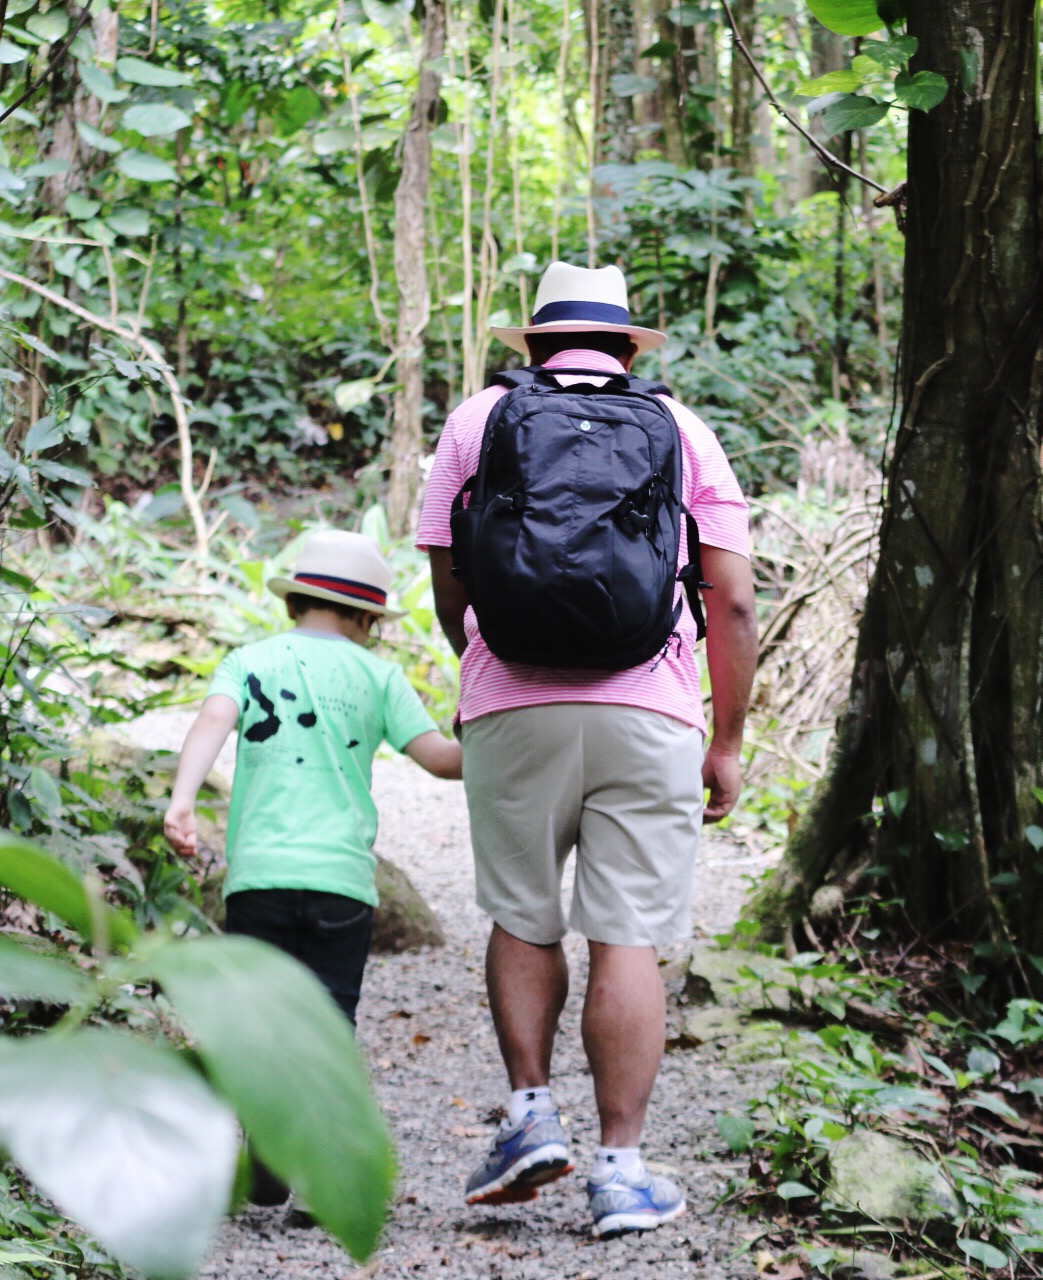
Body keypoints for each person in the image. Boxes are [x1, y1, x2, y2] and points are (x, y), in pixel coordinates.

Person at [417, 261, 758, 1239]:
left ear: (531, 345)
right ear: (626, 344)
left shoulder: (477, 421)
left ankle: (529, 1112)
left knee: (523, 915)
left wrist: (488, 666)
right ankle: (620, 1169)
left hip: (509, 706)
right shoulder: (682, 428)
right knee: (626, 933)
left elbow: (453, 581)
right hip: (650, 711)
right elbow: (730, 599)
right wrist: (726, 739)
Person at [162, 529, 465, 1202]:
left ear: (297, 599)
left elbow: (213, 719)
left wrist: (183, 800)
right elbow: (445, 762)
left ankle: (267, 1147)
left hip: (259, 880)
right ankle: (326, 1180)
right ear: (365, 618)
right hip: (340, 885)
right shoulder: (379, 675)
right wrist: (485, 720)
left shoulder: (249, 659)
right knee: (328, 1027)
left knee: (262, 1021)